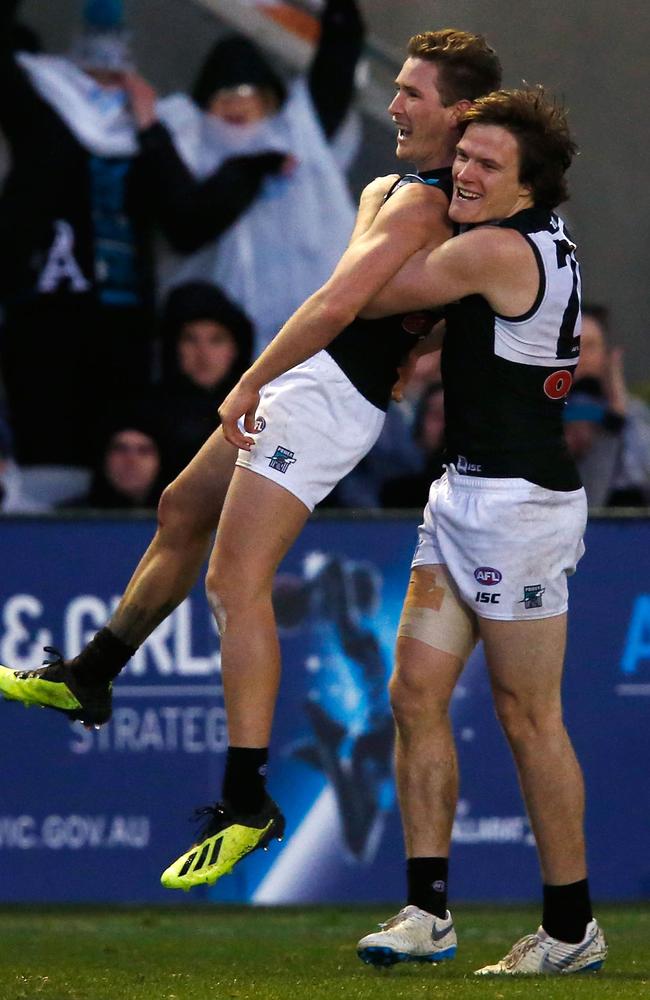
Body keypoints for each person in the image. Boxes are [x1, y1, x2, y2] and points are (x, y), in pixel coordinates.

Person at [0, 28, 503, 889]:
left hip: (320, 395)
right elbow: (431, 305)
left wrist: (249, 381)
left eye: (413, 93)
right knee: (179, 511)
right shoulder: (398, 188)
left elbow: (343, 300)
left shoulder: (425, 203)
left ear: (460, 113)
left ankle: (246, 801)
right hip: (313, 384)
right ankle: (90, 675)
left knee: (234, 585)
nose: (394, 103)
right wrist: (413, 360)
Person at [132, 0, 365, 355]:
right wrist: (251, 169)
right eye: (223, 96)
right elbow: (185, 223)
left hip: (303, 344)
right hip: (212, 353)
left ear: (271, 100)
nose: (236, 105)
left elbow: (337, 62)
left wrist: (338, 9)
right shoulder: (188, 144)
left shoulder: (299, 135)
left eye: (249, 94)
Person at [153, 282, 253, 482]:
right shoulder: (148, 414)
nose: (203, 354)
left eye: (216, 340)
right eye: (190, 339)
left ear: (235, 348)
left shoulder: (260, 410)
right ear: (174, 347)